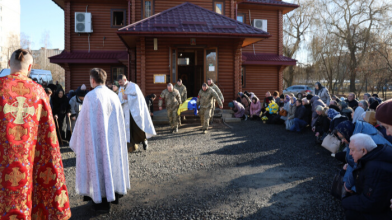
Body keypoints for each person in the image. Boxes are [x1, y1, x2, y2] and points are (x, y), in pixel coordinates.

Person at [0, 49, 71, 219]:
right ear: (30, 67)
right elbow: (49, 138)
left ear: (9, 64)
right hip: (28, 163)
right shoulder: (39, 92)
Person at [69, 68, 130, 213]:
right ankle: (113, 194)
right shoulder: (113, 95)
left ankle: (100, 199)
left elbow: (82, 121)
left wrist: (76, 138)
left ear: (93, 80)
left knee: (97, 166)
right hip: (112, 141)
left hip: (96, 142)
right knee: (111, 164)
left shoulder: (91, 96)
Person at [341, 134, 392, 220]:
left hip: (384, 210)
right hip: (382, 203)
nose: (350, 153)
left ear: (364, 151)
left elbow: (369, 202)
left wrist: (345, 202)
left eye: (352, 150)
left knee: (351, 214)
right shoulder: (374, 156)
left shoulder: (375, 168)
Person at [119, 75, 156, 151]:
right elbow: (120, 98)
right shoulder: (121, 88)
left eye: (121, 82)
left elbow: (138, 98)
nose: (120, 84)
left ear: (125, 79)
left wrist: (128, 97)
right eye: (119, 82)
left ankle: (144, 141)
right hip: (127, 112)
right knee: (129, 128)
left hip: (135, 111)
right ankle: (132, 145)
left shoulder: (134, 86)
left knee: (139, 127)